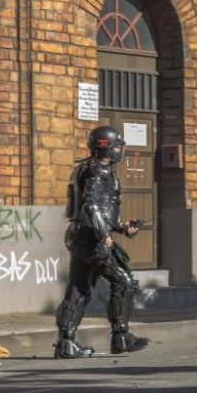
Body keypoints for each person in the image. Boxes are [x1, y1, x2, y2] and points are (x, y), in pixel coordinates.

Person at [54, 125, 149, 358]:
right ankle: (121, 337)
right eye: (116, 146)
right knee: (124, 282)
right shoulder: (99, 171)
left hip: (79, 235)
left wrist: (120, 226)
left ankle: (66, 343)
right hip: (91, 238)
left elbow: (98, 208)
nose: (119, 150)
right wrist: (103, 233)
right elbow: (91, 205)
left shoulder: (86, 168)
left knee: (78, 288)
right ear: (105, 147)